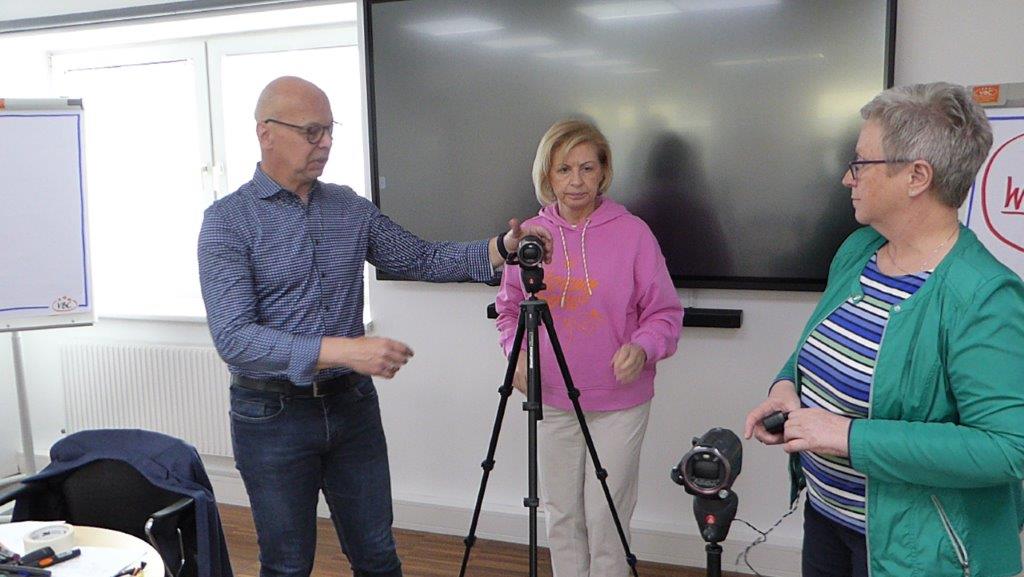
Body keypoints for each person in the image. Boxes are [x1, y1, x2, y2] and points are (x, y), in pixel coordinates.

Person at [197, 76, 551, 577]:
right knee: (287, 564)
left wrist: (502, 248)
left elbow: (422, 258)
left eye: (329, 130)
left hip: (351, 408)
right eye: (312, 131)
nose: (325, 143)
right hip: (271, 416)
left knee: (377, 556)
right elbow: (235, 339)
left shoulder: (348, 207)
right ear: (266, 132)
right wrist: (346, 351)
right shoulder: (227, 222)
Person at [743, 82, 1024, 577]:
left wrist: (849, 436)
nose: (847, 178)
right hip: (826, 516)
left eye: (861, 163)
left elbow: (1007, 448)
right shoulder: (858, 251)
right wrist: (786, 385)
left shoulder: (983, 295)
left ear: (917, 176)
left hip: (918, 548)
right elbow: (817, 347)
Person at [495, 119, 683, 577]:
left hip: (619, 402)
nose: (576, 181)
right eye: (564, 169)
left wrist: (642, 348)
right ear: (548, 175)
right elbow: (509, 310)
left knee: (606, 519)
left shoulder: (633, 233)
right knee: (562, 516)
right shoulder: (531, 237)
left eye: (586, 168)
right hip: (551, 397)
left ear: (603, 172)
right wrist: (515, 354)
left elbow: (665, 313)